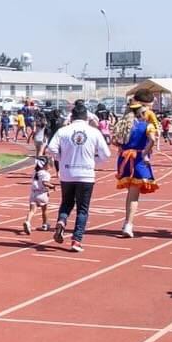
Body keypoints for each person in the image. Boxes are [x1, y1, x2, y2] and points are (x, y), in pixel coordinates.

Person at [47, 101, 111, 252]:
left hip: (67, 174)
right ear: (86, 117)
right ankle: (76, 240)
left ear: (72, 116)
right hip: (86, 174)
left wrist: (60, 159)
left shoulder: (63, 131)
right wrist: (94, 161)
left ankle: (62, 221)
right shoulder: (94, 132)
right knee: (82, 209)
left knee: (66, 203)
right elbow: (106, 154)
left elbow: (51, 148)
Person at [113, 90, 159, 238]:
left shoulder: (122, 124)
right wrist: (146, 152)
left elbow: (115, 141)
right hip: (138, 158)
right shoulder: (146, 125)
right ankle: (128, 224)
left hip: (124, 159)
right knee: (134, 195)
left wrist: (122, 148)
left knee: (130, 193)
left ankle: (127, 223)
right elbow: (152, 139)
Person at [23, 155, 55, 234]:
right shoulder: (46, 174)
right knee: (44, 210)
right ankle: (45, 224)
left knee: (32, 210)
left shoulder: (35, 172)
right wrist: (52, 186)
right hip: (42, 194)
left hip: (33, 193)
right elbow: (45, 183)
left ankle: (27, 221)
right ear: (44, 165)